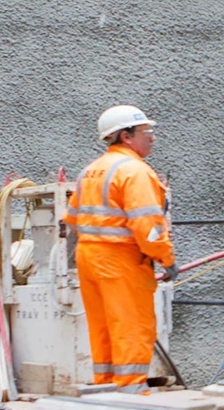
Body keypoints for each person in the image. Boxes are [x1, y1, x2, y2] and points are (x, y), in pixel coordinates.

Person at [64, 105, 176, 389]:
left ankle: (105, 388)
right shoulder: (135, 172)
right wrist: (165, 258)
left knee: (103, 329)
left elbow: (73, 219)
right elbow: (148, 227)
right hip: (121, 260)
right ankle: (131, 394)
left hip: (89, 258)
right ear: (126, 136)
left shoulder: (91, 170)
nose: (152, 137)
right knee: (131, 328)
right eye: (146, 131)